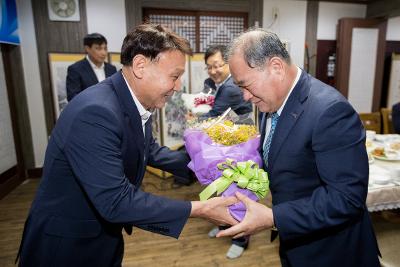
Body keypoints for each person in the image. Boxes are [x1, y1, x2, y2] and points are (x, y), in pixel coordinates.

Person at [16, 24, 238, 267]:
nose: (177, 87)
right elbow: (117, 201)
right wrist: (200, 208)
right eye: (174, 76)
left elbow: (149, 151)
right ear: (141, 65)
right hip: (66, 246)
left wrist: (207, 164)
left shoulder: (135, 100)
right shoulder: (95, 112)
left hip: (103, 236)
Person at [217, 28, 381, 267]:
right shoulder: (271, 104)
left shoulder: (329, 111)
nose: (244, 97)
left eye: (246, 85)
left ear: (276, 67)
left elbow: (346, 198)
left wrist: (274, 217)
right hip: (296, 243)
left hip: (333, 252)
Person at [198, 44, 252, 120]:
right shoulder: (226, 81)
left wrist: (193, 119)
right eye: (209, 67)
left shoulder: (230, 87)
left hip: (242, 128)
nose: (213, 71)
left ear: (228, 63)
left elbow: (214, 115)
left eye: (216, 66)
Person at [66, 33, 117, 101]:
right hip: (88, 110)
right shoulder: (76, 69)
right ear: (87, 48)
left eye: (105, 48)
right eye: (98, 48)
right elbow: (73, 97)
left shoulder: (112, 69)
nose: (103, 53)